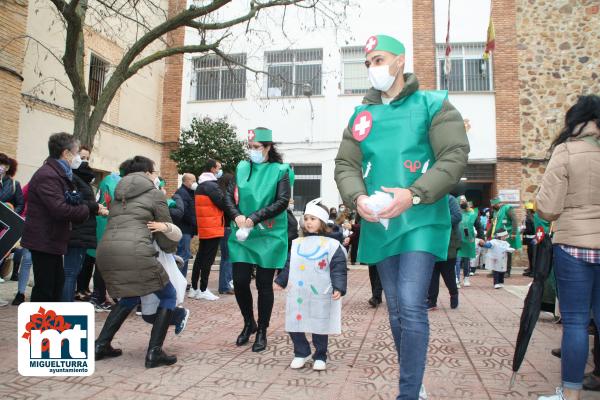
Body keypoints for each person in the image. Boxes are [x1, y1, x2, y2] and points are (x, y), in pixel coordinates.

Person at [334, 34, 469, 399]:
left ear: (399, 61)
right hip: (380, 224)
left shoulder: (433, 104)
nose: (372, 68)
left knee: (411, 304)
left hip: (421, 219)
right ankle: (416, 382)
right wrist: (357, 196)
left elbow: (453, 155)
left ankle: (407, 393)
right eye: (368, 63)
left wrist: (414, 194)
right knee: (396, 309)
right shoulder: (362, 116)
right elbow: (346, 163)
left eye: (379, 59)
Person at [536, 95, 600, 400]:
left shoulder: (566, 151)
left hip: (573, 245)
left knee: (574, 322)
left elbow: (547, 208)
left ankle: (570, 395)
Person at [95, 155, 180, 368]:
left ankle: (100, 345)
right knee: (169, 295)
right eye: (154, 172)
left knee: (129, 297)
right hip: (136, 251)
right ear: (147, 173)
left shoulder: (117, 195)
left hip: (107, 251)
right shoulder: (154, 194)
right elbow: (163, 228)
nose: (156, 176)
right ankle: (154, 352)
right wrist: (169, 251)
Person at [224, 127, 292, 352]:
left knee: (264, 285)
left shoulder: (280, 170)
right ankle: (248, 323)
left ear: (268, 147)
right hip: (243, 232)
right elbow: (228, 196)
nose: (252, 151)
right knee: (241, 281)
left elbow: (282, 201)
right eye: (250, 147)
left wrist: (254, 218)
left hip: (269, 234)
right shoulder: (242, 168)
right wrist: (237, 215)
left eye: (257, 147)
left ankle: (262, 329)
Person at [20, 133, 104, 302]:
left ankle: (50, 325)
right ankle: (41, 327)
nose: (79, 159)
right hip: (44, 240)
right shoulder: (49, 175)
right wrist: (88, 208)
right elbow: (60, 209)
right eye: (76, 154)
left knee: (55, 287)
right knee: (46, 290)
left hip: (53, 240)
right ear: (66, 153)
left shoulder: (59, 174)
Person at [275, 199, 347, 371]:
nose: (308, 222)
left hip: (321, 293)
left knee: (319, 324)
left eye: (313, 219)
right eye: (306, 218)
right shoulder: (297, 243)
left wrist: (339, 287)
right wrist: (280, 280)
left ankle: (320, 355)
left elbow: (338, 268)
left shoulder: (332, 245)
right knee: (295, 322)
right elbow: (289, 264)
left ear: (322, 222)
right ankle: (301, 352)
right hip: (298, 292)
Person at [63, 149, 101, 302]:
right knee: (70, 273)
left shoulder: (83, 179)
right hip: (77, 231)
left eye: (87, 158)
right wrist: (96, 207)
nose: (84, 161)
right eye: (81, 157)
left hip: (83, 230)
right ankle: (65, 308)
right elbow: (74, 200)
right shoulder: (72, 178)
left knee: (74, 271)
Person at [189, 159, 224, 301]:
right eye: (219, 168)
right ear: (212, 169)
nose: (220, 170)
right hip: (213, 226)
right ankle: (203, 289)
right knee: (207, 260)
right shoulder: (211, 186)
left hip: (205, 226)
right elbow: (222, 203)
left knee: (200, 258)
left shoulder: (201, 185)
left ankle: (194, 288)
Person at [88, 167, 122, 311]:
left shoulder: (111, 181)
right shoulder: (113, 182)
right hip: (106, 228)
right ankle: (98, 296)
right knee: (103, 265)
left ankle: (101, 296)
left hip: (108, 228)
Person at [428, 195, 461, 310]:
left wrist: (437, 221)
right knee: (432, 272)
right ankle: (431, 301)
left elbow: (457, 216)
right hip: (431, 241)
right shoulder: (429, 199)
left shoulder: (450, 199)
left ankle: (454, 294)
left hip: (449, 242)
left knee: (448, 273)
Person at [490, 197, 521, 278]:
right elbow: (493, 224)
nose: (492, 206)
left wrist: (514, 233)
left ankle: (507, 271)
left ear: (498, 203)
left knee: (507, 253)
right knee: (496, 253)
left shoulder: (507, 208)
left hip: (508, 234)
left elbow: (514, 220)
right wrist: (488, 235)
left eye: (493, 205)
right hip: (498, 236)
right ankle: (496, 271)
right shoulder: (495, 212)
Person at [456, 197, 483, 287]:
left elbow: (479, 226)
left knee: (467, 260)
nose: (463, 202)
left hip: (468, 240)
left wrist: (481, 237)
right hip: (457, 240)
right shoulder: (455, 213)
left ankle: (466, 277)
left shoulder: (472, 214)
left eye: (464, 201)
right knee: (457, 260)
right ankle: (457, 279)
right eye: (461, 201)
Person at [175, 173, 197, 279]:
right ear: (186, 181)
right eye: (193, 181)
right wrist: (194, 222)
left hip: (187, 229)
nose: (194, 183)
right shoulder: (182, 193)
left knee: (185, 255)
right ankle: (179, 280)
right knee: (183, 255)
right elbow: (185, 212)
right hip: (183, 228)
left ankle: (181, 280)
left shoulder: (189, 192)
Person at [218, 173, 235, 294]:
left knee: (226, 258)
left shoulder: (221, 195)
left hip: (224, 228)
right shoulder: (226, 198)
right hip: (227, 228)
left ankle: (225, 285)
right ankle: (225, 286)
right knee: (227, 258)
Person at [522, 202, 537, 277]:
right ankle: (531, 270)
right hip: (533, 239)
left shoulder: (528, 218)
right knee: (532, 255)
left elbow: (530, 230)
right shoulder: (534, 217)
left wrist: (523, 230)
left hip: (531, 239)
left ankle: (533, 271)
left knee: (532, 256)